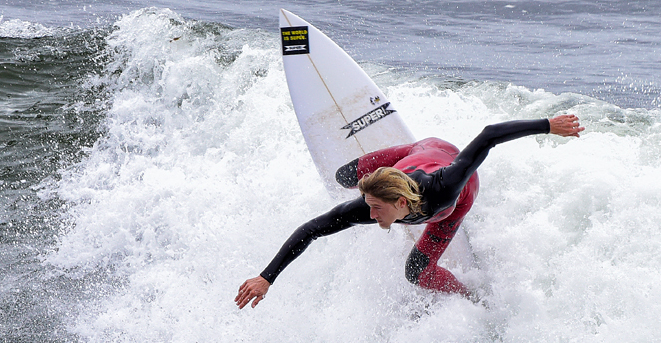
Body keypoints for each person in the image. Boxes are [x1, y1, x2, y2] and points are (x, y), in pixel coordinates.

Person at [235, 114, 583, 309]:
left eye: (376, 210)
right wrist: (267, 277)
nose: (368, 217)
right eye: (369, 207)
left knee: (416, 271)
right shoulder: (371, 205)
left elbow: (489, 135)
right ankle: (378, 178)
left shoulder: (447, 187)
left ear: (401, 203)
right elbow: (314, 227)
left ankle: (469, 297)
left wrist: (548, 126)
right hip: (414, 154)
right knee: (343, 176)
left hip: (449, 187)